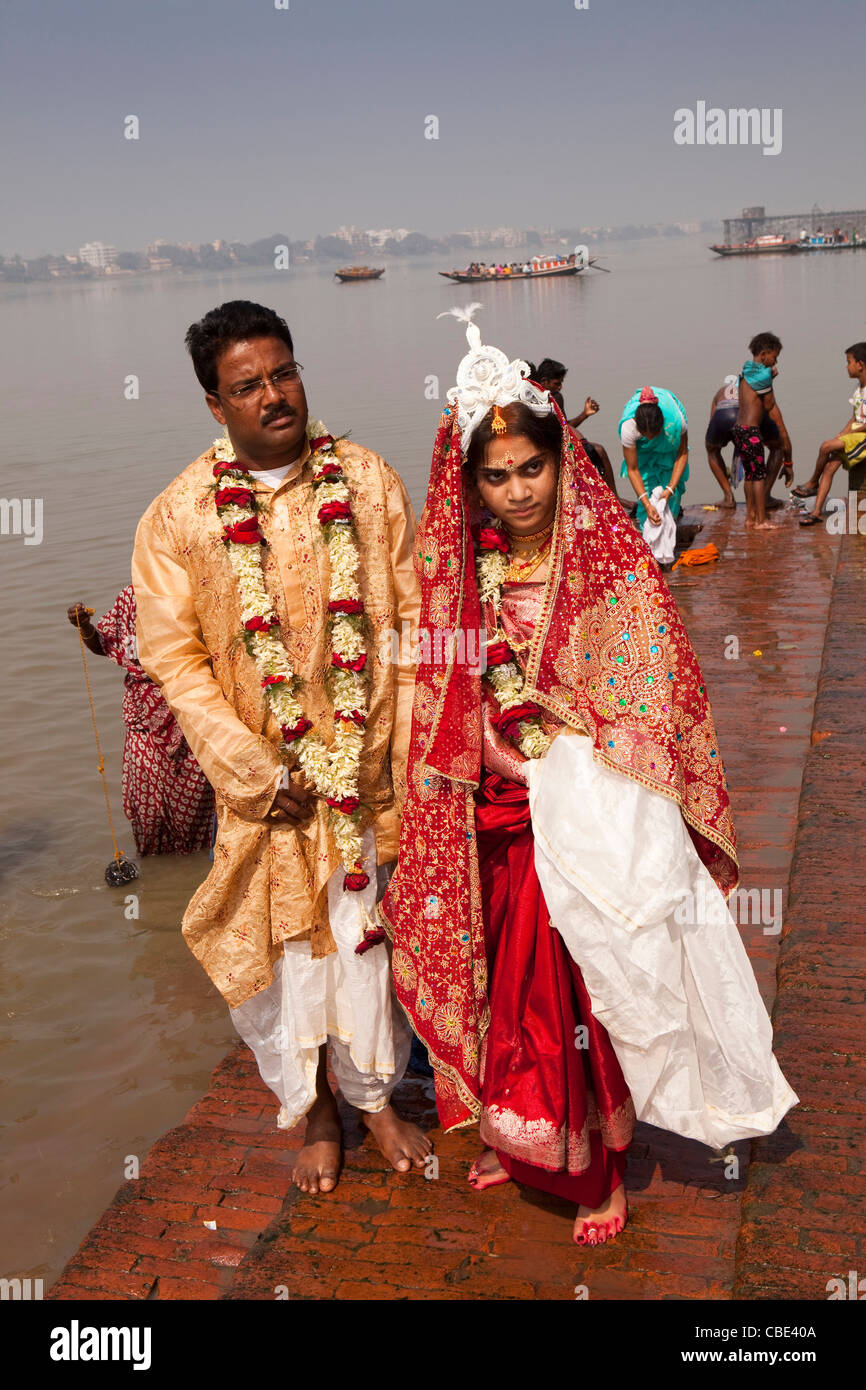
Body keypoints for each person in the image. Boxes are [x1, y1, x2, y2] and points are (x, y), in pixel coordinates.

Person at [382, 309, 798, 1247]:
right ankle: (515, 1135)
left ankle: (595, 1168)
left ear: (562, 462)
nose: (519, 490)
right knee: (496, 975)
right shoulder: (457, 569)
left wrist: (557, 751)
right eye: (497, 476)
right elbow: (436, 671)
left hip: (584, 806)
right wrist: (484, 742)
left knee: (573, 987)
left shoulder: (608, 567)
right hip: (490, 802)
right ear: (471, 485)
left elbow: (651, 691)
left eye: (533, 468)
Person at [132, 300, 430, 1194]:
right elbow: (174, 661)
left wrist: (405, 750)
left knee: (369, 944)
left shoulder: (370, 483)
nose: (275, 396)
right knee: (288, 963)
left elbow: (414, 624)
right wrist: (252, 770)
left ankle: (377, 1101)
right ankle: (316, 1113)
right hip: (267, 788)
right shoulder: (178, 516)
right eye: (248, 385)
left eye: (285, 372)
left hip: (369, 775)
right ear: (214, 405)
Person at [67, 587, 215, 855]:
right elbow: (104, 643)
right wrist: (85, 627)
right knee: (149, 811)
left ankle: (187, 876)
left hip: (189, 708)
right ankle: (156, 870)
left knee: (196, 806)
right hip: (141, 717)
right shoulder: (130, 597)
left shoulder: (191, 593)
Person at [796, 343, 866, 526]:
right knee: (829, 466)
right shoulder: (858, 390)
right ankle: (817, 512)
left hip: (863, 437)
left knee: (825, 446)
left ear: (860, 364)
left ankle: (812, 483)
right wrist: (841, 435)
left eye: (848, 362)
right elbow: (854, 418)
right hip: (855, 436)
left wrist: (846, 436)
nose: (847, 366)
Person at [533, 357, 622, 499]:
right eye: (557, 383)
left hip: (563, 442)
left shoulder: (557, 397)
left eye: (561, 383)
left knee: (599, 450)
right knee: (597, 451)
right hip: (549, 447)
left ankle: (614, 497)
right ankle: (613, 498)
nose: (560, 387)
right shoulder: (534, 400)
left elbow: (565, 426)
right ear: (544, 382)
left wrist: (585, 414)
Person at [733, 332, 792, 529]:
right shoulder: (763, 375)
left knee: (750, 475)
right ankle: (761, 520)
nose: (775, 362)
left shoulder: (747, 369)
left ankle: (750, 517)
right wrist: (771, 380)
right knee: (758, 476)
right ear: (765, 354)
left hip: (739, 429)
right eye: (774, 357)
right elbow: (768, 404)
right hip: (751, 432)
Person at [705, 373, 790, 509]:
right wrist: (788, 463)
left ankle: (728, 497)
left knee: (712, 449)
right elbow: (782, 432)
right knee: (777, 447)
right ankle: (765, 496)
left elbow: (713, 426)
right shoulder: (760, 391)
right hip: (748, 418)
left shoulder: (721, 392)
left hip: (724, 414)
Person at [619, 385, 689, 528]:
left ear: (662, 422)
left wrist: (670, 488)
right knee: (648, 494)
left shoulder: (675, 422)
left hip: (668, 440)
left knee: (671, 498)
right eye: (646, 436)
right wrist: (646, 503)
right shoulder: (629, 427)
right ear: (639, 430)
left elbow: (682, 453)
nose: (650, 438)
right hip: (642, 450)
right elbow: (633, 469)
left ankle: (671, 524)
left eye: (654, 435)